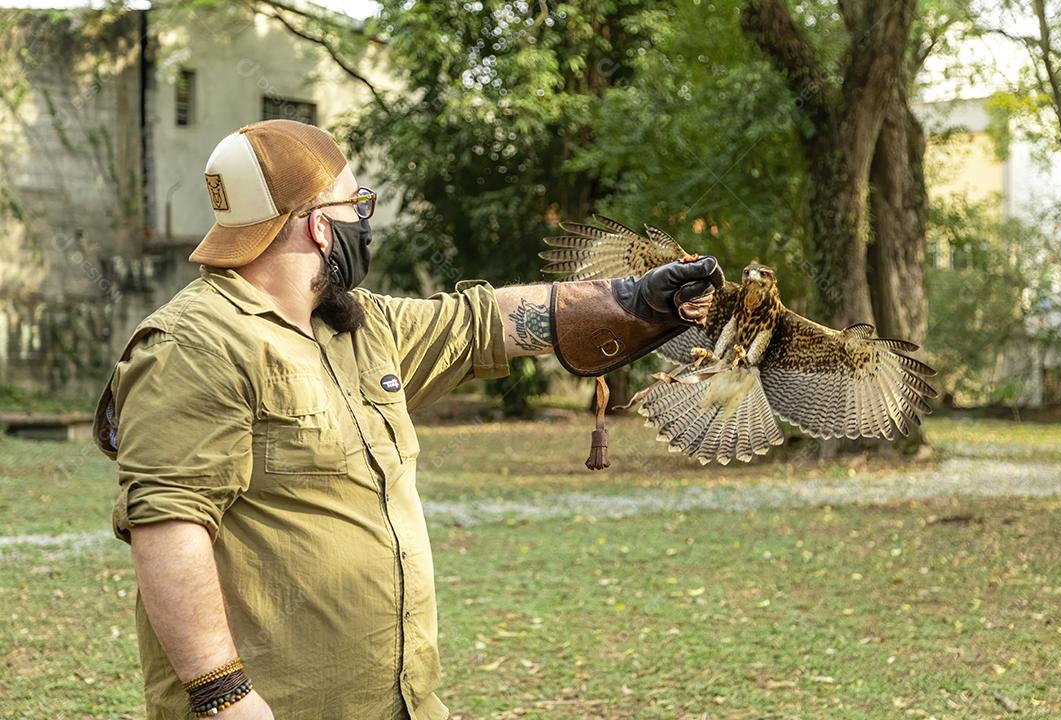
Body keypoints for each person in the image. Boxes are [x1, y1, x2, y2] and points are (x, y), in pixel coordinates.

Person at [92, 119, 721, 719]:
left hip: (396, 703)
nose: (364, 220)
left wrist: (631, 300)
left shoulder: (355, 325)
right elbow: (169, 525)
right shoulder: (194, 345)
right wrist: (222, 694)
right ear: (317, 228)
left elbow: (484, 321)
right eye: (354, 205)